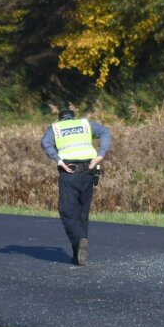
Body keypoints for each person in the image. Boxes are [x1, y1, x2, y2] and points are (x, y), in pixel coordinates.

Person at [40, 107, 111, 265]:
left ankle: (80, 240)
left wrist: (58, 159)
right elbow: (105, 132)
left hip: (69, 171)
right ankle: (78, 255)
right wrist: (101, 154)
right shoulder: (85, 124)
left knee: (66, 210)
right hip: (89, 171)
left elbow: (45, 143)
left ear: (60, 119)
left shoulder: (56, 128)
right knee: (82, 212)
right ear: (74, 118)